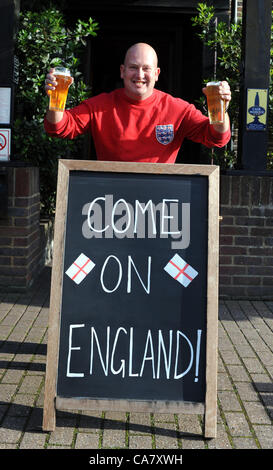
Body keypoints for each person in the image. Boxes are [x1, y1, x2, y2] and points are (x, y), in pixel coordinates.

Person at [44, 42, 231, 163]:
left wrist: (221, 109)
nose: (140, 75)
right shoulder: (99, 106)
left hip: (157, 206)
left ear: (157, 74)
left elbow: (216, 138)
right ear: (122, 71)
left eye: (146, 69)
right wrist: (55, 99)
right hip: (110, 204)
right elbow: (59, 128)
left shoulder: (178, 109)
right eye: (133, 67)